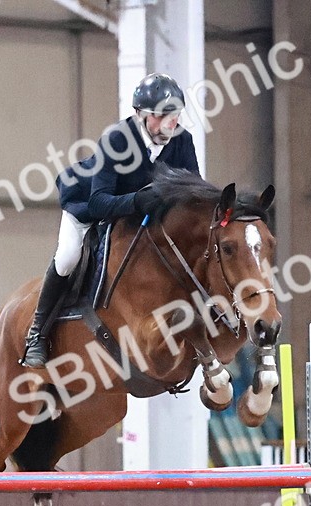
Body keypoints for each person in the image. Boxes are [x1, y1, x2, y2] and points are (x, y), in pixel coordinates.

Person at [21, 72, 201, 369]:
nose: (171, 123)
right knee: (67, 259)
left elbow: (192, 192)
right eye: (163, 115)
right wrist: (135, 201)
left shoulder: (182, 141)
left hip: (138, 216)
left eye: (176, 114)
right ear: (142, 115)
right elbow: (98, 201)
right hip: (88, 209)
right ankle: (37, 335)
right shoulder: (117, 139)